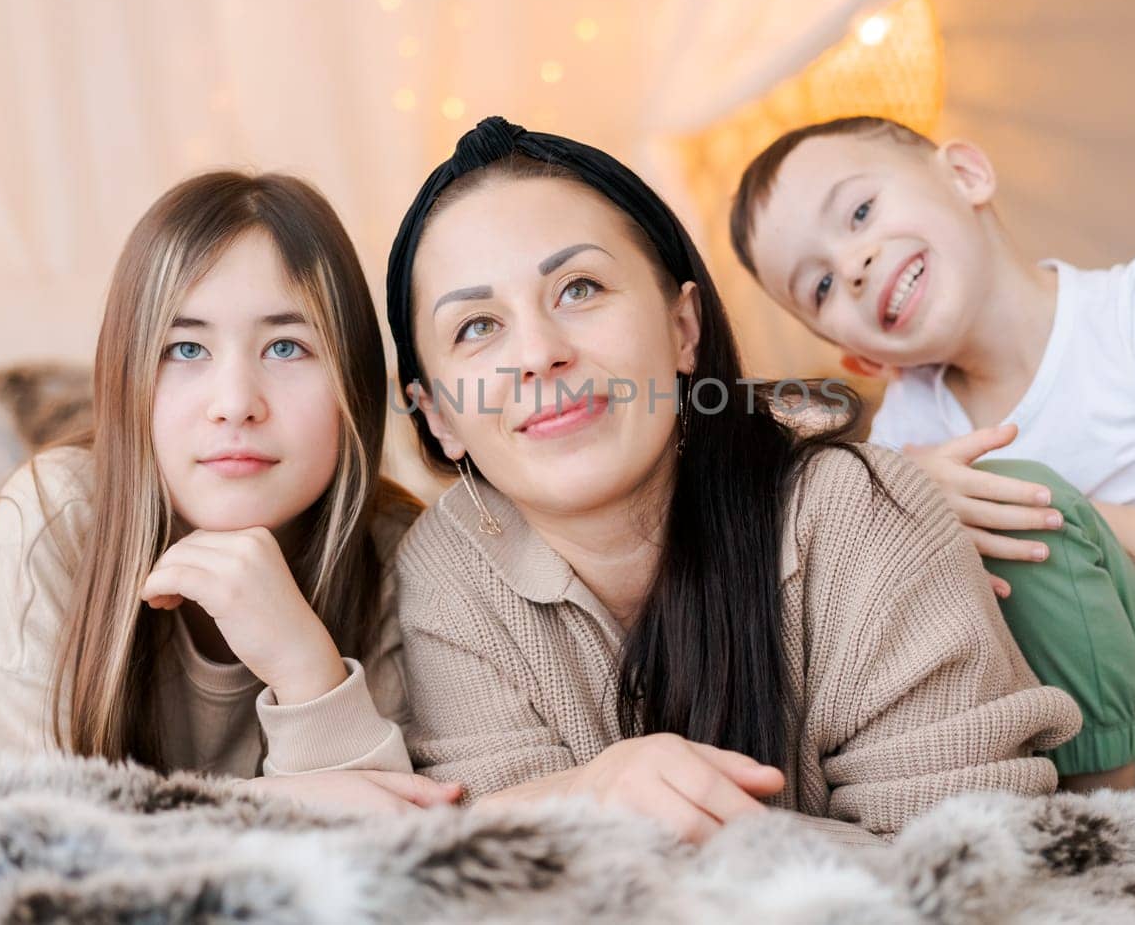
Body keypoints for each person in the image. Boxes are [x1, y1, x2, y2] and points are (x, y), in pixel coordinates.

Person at [384, 117, 1081, 846]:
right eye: (474, 327)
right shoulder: (447, 570)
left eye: (579, 287)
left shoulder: (864, 512)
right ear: (439, 418)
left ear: (683, 329)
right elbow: (491, 876)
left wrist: (603, 824)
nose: (538, 354)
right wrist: (583, 793)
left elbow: (967, 861)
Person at [726, 116, 1135, 796]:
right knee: (868, 513)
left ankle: (1101, 815)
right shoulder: (910, 423)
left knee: (1000, 493)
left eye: (861, 211)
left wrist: (1021, 506)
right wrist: (907, 505)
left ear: (967, 175)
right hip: (1017, 721)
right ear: (860, 357)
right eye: (818, 286)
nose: (851, 266)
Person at [0, 171, 459, 813]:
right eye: (186, 348)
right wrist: (270, 804)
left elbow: (398, 836)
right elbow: (37, 835)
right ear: (128, 378)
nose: (234, 405)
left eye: (286, 346)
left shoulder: (404, 557)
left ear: (353, 388)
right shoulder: (54, 519)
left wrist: (305, 666)